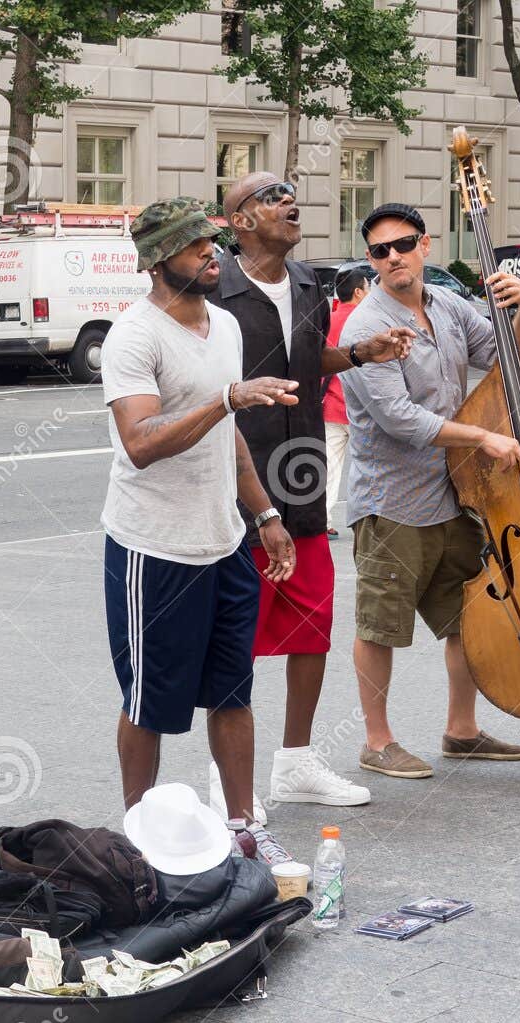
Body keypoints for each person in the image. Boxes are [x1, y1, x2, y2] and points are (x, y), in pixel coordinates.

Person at [100, 197, 299, 864]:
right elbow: (140, 442)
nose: (213, 254)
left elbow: (229, 431)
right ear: (159, 261)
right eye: (197, 247)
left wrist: (264, 514)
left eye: (214, 243)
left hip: (224, 542)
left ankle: (244, 827)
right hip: (153, 548)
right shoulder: (134, 335)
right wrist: (223, 400)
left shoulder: (224, 325)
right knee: (150, 701)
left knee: (233, 692)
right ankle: (139, 838)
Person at [214, 171, 414, 816]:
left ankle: (295, 761)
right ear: (241, 220)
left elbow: (307, 363)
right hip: (234, 481)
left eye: (290, 191)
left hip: (300, 478)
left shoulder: (308, 284)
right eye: (272, 195)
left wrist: (359, 353)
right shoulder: (214, 287)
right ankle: (226, 775)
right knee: (234, 630)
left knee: (310, 624)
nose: (289, 201)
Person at [339, 202, 520, 779]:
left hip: (456, 494)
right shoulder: (367, 327)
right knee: (381, 626)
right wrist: (484, 437)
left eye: (403, 244)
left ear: (426, 245)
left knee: (470, 618)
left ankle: (462, 730)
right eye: (380, 250)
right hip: (392, 501)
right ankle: (377, 741)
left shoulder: (448, 306)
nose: (394, 257)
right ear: (372, 261)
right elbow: (401, 419)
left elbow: (509, 363)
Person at [324, 266, 372, 532]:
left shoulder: (328, 320)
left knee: (329, 467)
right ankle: (368, 520)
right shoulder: (368, 322)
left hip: (330, 405)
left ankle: (324, 520)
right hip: (361, 409)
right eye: (367, 288)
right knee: (367, 469)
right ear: (357, 292)